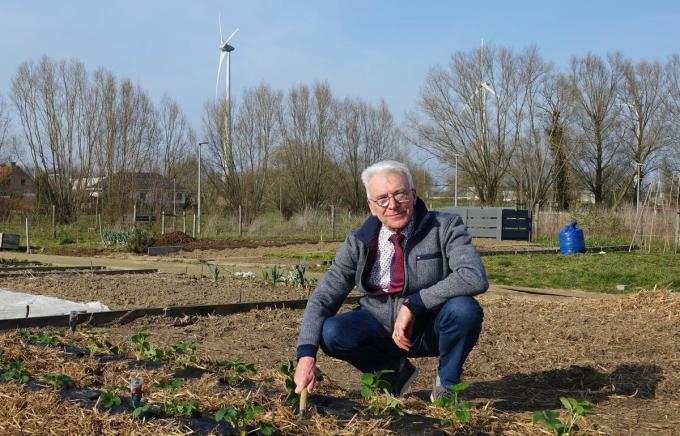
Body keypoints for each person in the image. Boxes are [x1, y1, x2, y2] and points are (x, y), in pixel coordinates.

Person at [294, 160, 488, 401]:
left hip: (430, 326)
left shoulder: (444, 227)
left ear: (413, 195)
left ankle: (447, 385)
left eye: (399, 194)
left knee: (464, 309)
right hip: (380, 328)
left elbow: (473, 276)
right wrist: (305, 356)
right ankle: (394, 375)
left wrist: (414, 304)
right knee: (332, 332)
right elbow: (324, 297)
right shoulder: (359, 241)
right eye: (383, 199)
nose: (393, 205)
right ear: (371, 207)